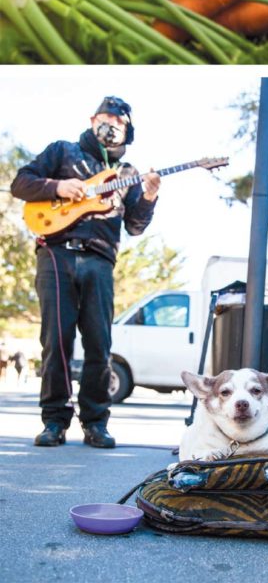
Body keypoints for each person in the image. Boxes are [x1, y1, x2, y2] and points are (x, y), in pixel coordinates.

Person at [10, 97, 160, 448]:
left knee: (99, 343)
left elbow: (135, 226)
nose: (110, 125)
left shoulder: (127, 174)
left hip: (100, 260)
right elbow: (20, 183)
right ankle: (54, 421)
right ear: (92, 119)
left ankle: (95, 423)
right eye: (105, 118)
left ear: (127, 130)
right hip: (56, 253)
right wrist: (57, 187)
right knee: (56, 340)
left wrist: (150, 197)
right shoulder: (63, 152)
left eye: (118, 122)